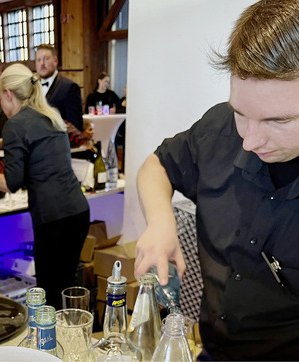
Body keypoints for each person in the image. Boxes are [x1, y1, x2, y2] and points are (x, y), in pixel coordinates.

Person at [134, 1, 299, 360]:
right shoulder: (219, 127)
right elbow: (156, 166)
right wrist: (161, 223)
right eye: (241, 113)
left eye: (278, 121)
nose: (250, 140)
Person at [0, 64, 90, 310]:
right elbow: (33, 140)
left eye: (0, 96)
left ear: (8, 93)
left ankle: (52, 346)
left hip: (53, 220)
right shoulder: (50, 115)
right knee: (65, 287)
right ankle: (71, 340)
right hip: (77, 213)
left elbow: (12, 183)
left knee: (50, 295)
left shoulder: (15, 125)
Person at [35, 44, 83, 131]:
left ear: (55, 60)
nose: (42, 63)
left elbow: (76, 127)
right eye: (38, 60)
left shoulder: (69, 87)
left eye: (46, 59)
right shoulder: (33, 87)